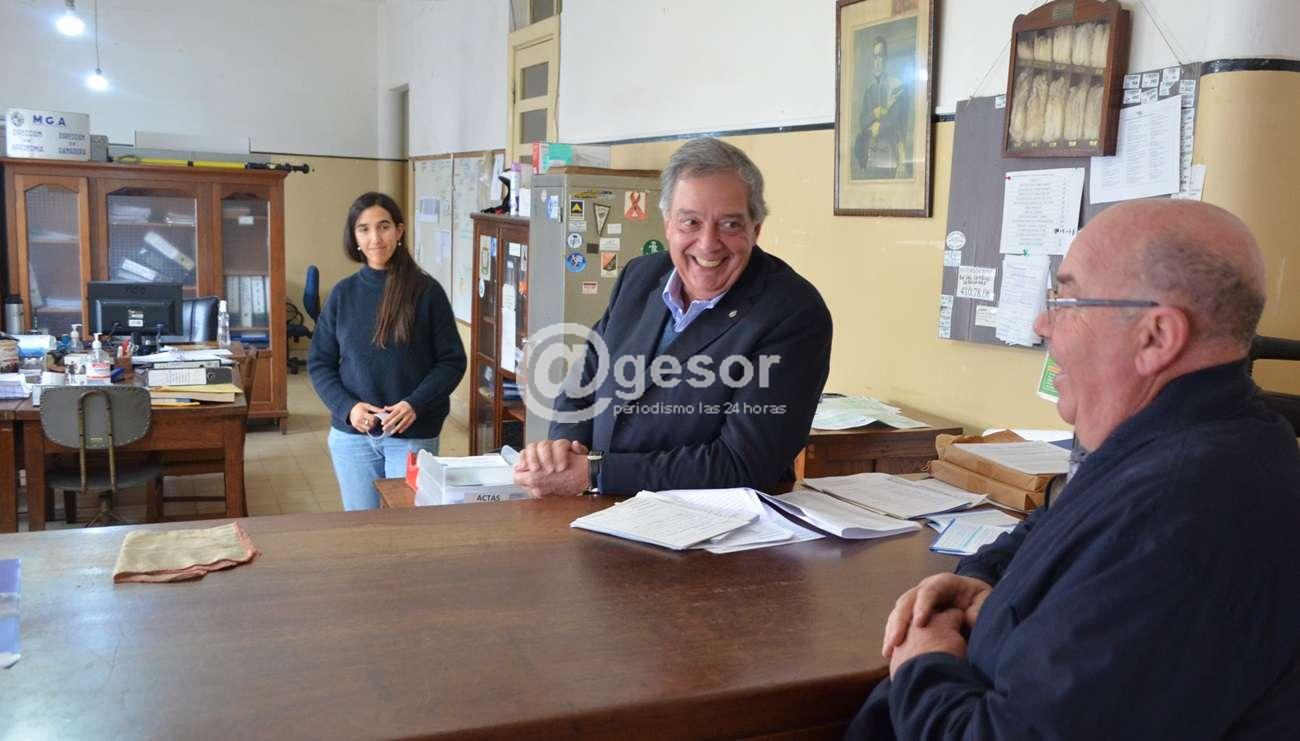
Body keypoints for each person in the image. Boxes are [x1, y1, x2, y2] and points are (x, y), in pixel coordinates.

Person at [847, 199, 1300, 739]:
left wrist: (924, 663)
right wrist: (979, 577)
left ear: (1156, 336)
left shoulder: (1186, 514)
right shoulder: (1175, 443)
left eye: (1066, 301)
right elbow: (1057, 521)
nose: (1042, 324)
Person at [513, 137, 832, 498]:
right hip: (601, 512)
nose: (708, 243)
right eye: (690, 222)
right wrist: (564, 449)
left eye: (730, 224)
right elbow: (583, 384)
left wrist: (596, 473)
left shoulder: (793, 312)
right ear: (667, 224)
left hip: (714, 526)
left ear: (755, 229)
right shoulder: (639, 276)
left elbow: (743, 464)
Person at [309, 192, 466, 510]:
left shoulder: (426, 291)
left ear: (399, 231)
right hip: (353, 436)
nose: (375, 238)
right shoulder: (343, 294)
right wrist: (349, 408)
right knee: (361, 528)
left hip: (411, 433)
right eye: (364, 229)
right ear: (354, 237)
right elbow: (320, 363)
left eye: (383, 227)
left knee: (408, 529)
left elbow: (452, 361)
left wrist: (415, 404)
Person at [853, 35, 910, 180]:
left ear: (886, 58)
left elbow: (896, 119)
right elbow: (862, 122)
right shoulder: (869, 91)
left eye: (881, 56)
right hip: (872, 156)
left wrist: (879, 125)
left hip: (890, 154)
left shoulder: (896, 86)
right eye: (875, 57)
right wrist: (875, 112)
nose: (878, 61)